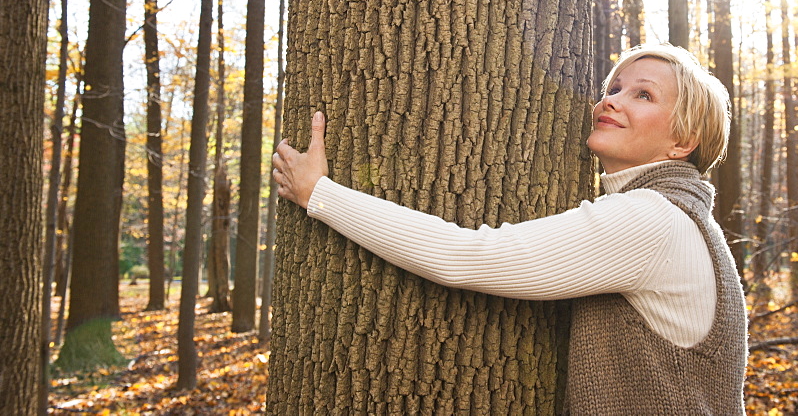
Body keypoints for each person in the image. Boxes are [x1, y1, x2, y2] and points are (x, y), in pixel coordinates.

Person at [272, 43, 748, 414]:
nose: (611, 100)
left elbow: (467, 257)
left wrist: (319, 193)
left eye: (643, 94)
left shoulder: (652, 220)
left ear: (684, 140)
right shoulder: (685, 220)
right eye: (615, 87)